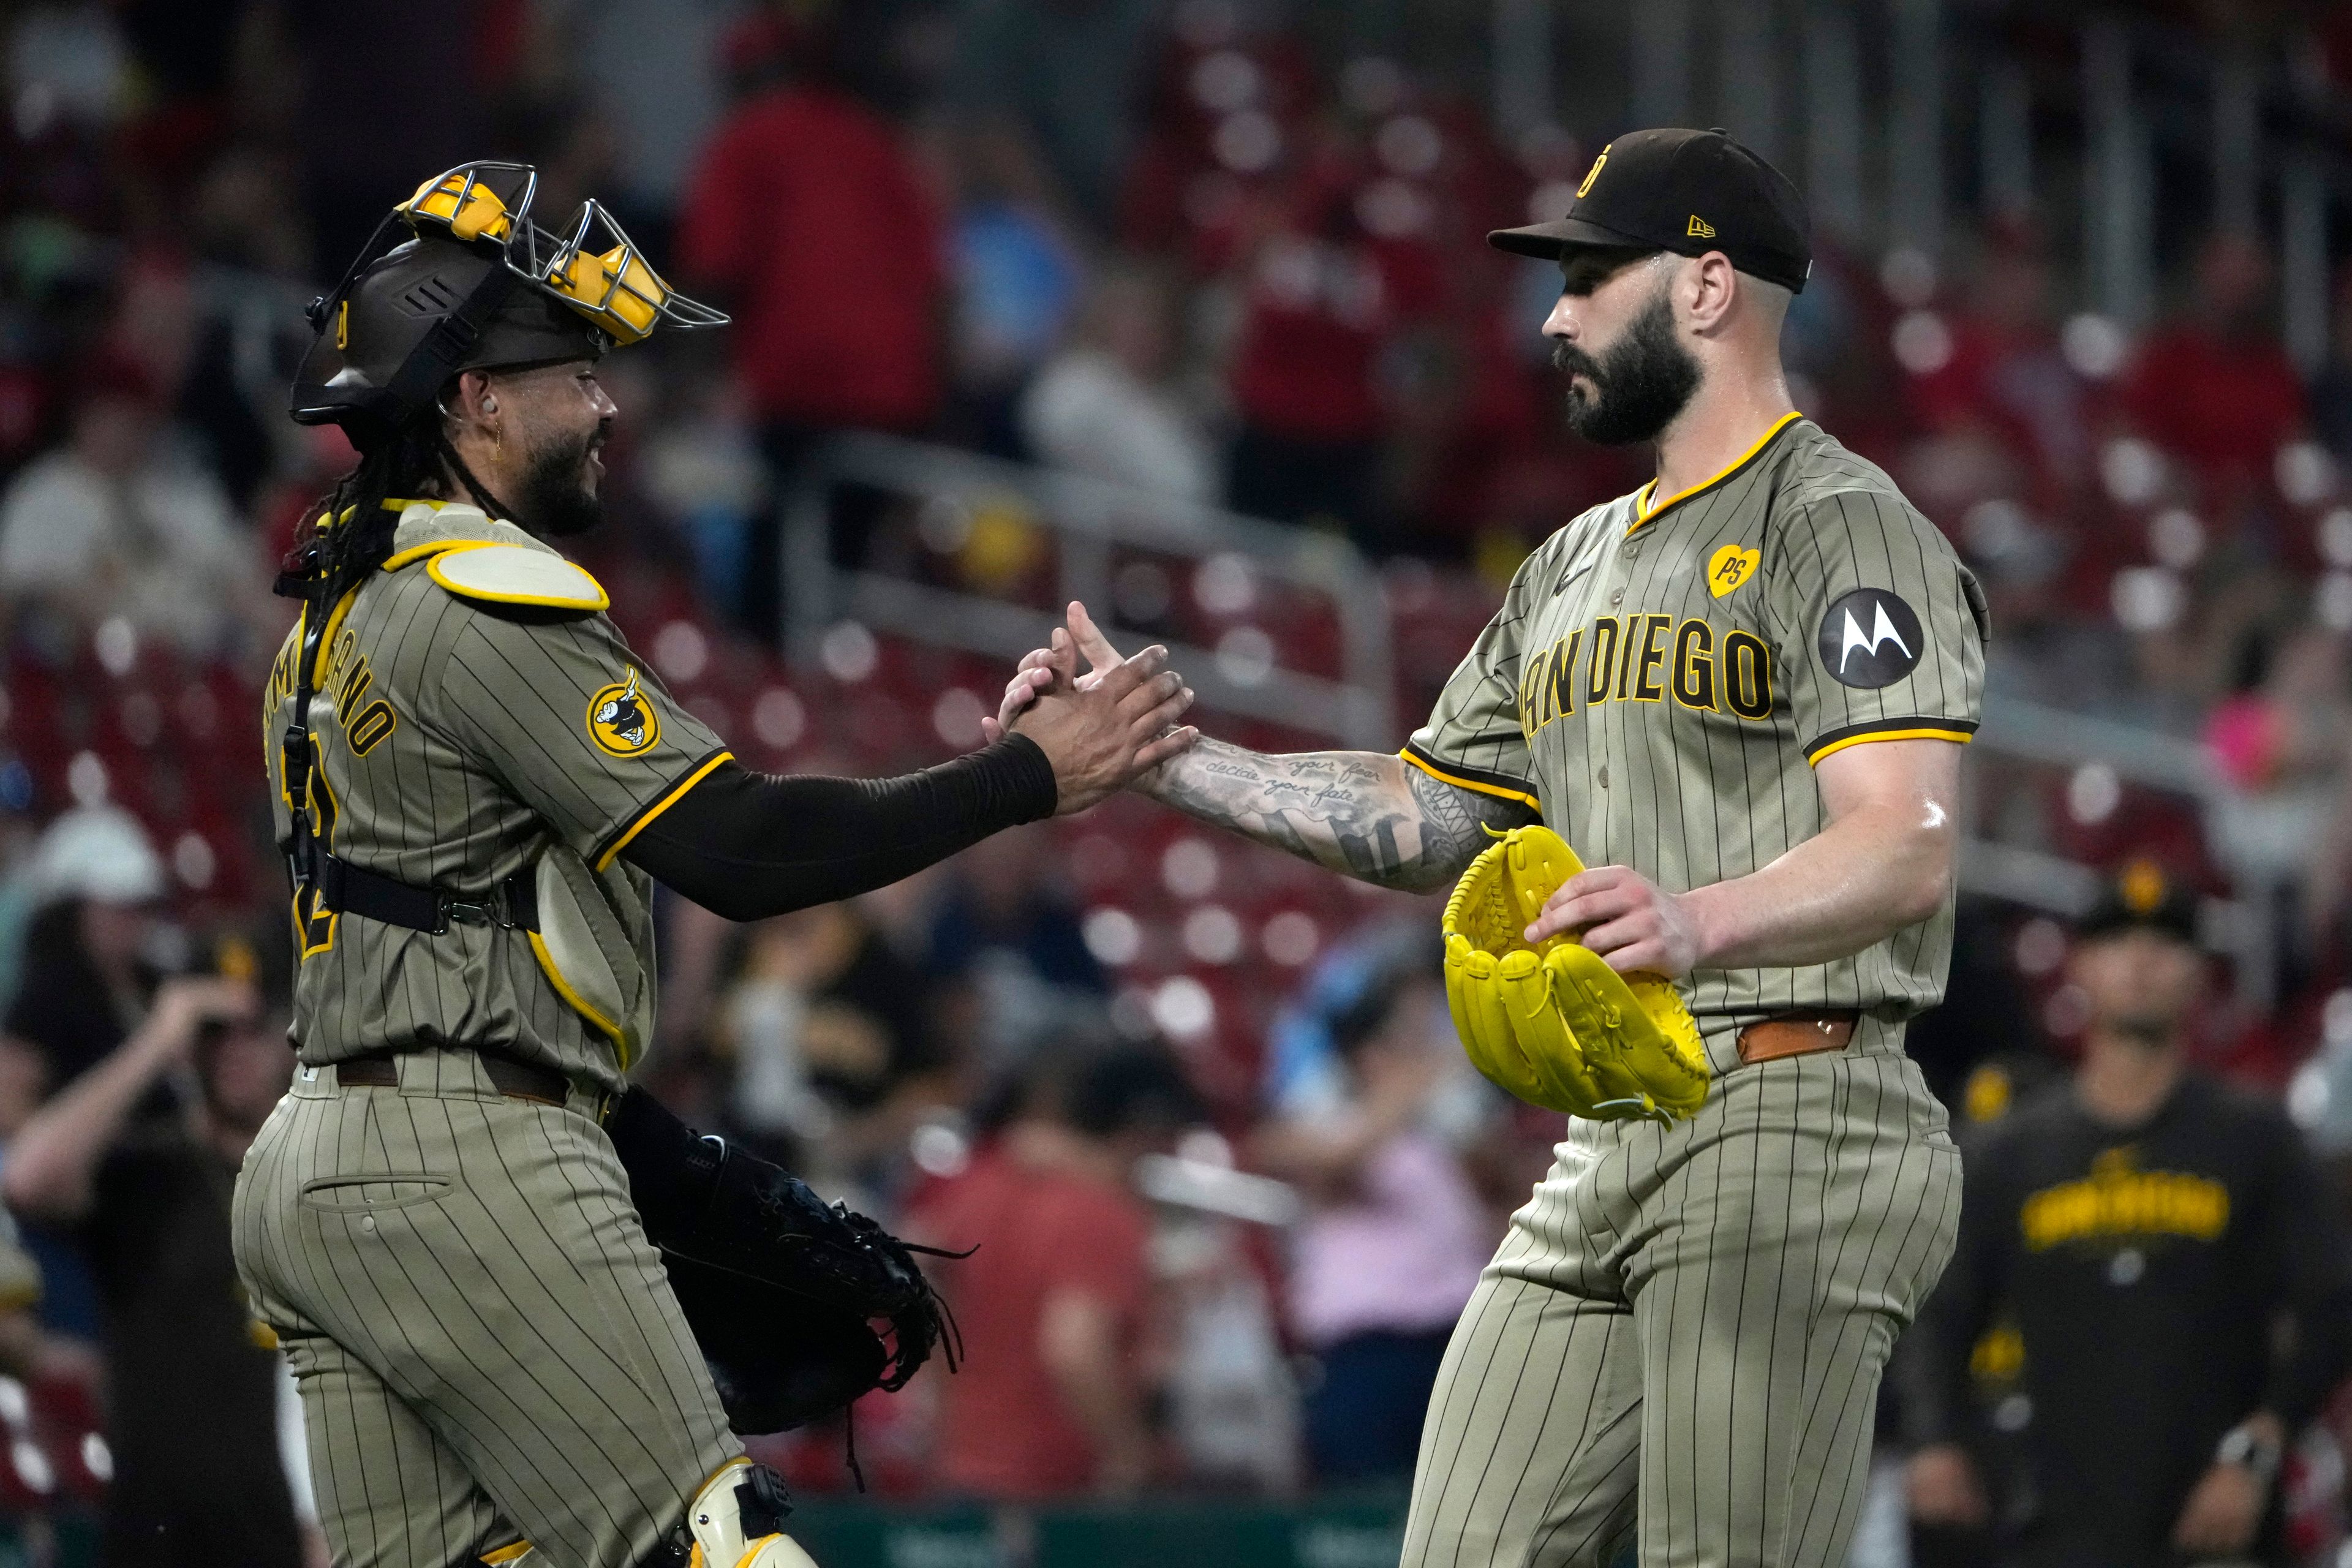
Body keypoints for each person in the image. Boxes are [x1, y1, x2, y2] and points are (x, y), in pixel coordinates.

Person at [993, 127, 1985, 1566]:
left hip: (1798, 1101)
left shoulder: (1844, 526)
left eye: (1588, 277)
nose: (1553, 317)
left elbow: (1903, 839)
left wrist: (1699, 919)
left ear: (1704, 287)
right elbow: (1435, 811)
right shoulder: (1570, 564)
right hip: (1611, 1133)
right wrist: (1164, 756)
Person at [235, 162, 1196, 1568]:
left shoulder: (325, 625)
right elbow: (738, 848)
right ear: (475, 399)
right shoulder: (476, 598)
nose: (607, 400)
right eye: (570, 367)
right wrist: (1027, 776)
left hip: (317, 1162)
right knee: (722, 1547)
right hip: (469, 1150)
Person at [1898, 862, 2352, 1568]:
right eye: (2117, 941)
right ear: (2079, 967)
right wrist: (1934, 1442)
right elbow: (1940, 1310)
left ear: (2201, 972)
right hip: (2050, 1526)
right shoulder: (2014, 1152)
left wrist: (2260, 1448)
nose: (2141, 961)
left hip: (2215, 1528)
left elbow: (2333, 1304)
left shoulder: (2253, 1141)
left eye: (2166, 942)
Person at [1, 973, 317, 1568]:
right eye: (213, 1033)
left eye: (254, 1031)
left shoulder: (319, 1177)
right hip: (158, 1532)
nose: (235, 1051)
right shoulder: (151, 1171)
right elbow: (28, 1178)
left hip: (291, 1532)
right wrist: (159, 1036)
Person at [905, 1040, 1201, 1498]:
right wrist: (1128, 1454)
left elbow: (913, 1307)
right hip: (1057, 1494)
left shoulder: (965, 1192)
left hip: (960, 1478)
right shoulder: (1099, 1212)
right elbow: (1074, 1348)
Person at [1252, 952, 1491, 1484]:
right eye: (1405, 1038)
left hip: (1458, 1344)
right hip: (1367, 1359)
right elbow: (1342, 1156)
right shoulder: (1310, 1123)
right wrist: (1429, 1071)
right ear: (1367, 1053)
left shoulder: (1441, 1139)